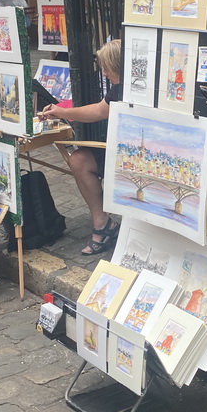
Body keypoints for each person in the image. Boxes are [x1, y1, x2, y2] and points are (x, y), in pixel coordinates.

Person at [38, 40, 121, 256]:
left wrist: (63, 112)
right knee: (78, 159)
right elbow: (98, 110)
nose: (103, 73)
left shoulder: (127, 88)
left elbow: (98, 112)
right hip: (118, 148)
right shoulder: (117, 88)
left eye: (106, 67)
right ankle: (102, 223)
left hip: (132, 155)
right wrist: (62, 112)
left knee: (80, 159)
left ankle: (112, 228)